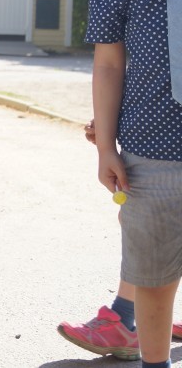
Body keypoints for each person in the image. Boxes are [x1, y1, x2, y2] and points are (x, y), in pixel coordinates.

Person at [83, 0, 182, 368]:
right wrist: (106, 146)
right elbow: (108, 68)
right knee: (152, 272)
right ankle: (154, 361)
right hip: (150, 156)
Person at [57, 116, 182, 359]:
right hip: (158, 137)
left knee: (152, 228)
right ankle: (124, 318)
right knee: (142, 225)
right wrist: (111, 128)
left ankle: (124, 319)